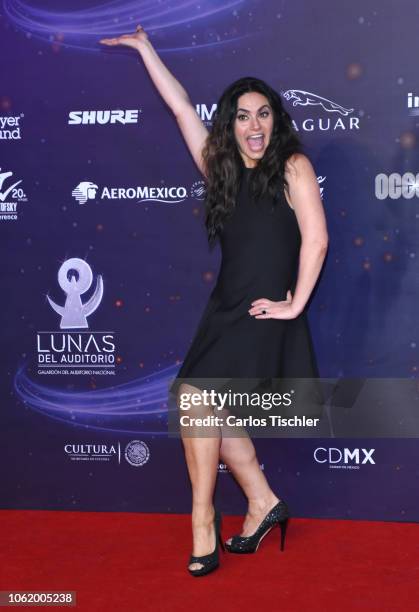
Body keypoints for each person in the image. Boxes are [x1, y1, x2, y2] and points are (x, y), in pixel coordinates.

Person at [100, 25, 328, 577]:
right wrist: (148, 50)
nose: (254, 125)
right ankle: (262, 502)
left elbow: (317, 238)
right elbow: (180, 108)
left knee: (199, 402)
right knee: (215, 416)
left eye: (263, 114)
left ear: (276, 120)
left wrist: (293, 306)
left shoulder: (293, 167)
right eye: (243, 116)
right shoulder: (219, 168)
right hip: (225, 309)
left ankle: (202, 519)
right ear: (231, 124)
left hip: (261, 314)